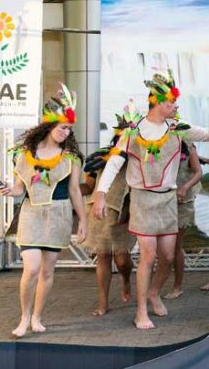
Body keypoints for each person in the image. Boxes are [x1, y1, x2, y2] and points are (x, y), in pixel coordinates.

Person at [92, 69, 209, 330]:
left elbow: (208, 134)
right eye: (171, 102)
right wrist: (101, 193)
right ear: (157, 102)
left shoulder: (178, 129)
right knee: (148, 255)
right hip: (142, 201)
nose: (175, 105)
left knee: (168, 255)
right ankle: (140, 311)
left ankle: (154, 292)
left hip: (168, 201)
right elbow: (113, 164)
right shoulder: (133, 132)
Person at [0, 84, 87, 337]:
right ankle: (24, 316)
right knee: (32, 268)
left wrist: (82, 220)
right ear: (48, 125)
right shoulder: (26, 154)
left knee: (48, 271)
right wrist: (10, 190)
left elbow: (74, 190)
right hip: (31, 214)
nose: (65, 132)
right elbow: (19, 188)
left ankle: (37, 317)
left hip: (59, 214)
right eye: (62, 127)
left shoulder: (71, 157)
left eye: (69, 128)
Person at [80, 106, 139, 315]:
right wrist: (68, 189)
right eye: (122, 132)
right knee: (103, 256)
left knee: (122, 260)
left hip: (124, 213)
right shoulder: (101, 157)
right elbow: (88, 186)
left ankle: (125, 279)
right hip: (99, 213)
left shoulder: (136, 158)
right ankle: (103, 302)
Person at [163, 141, 202, 300]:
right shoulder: (154, 142)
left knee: (175, 246)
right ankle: (156, 285)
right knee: (162, 249)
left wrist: (185, 187)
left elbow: (198, 172)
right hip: (161, 201)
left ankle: (177, 286)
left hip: (182, 202)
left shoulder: (188, 145)